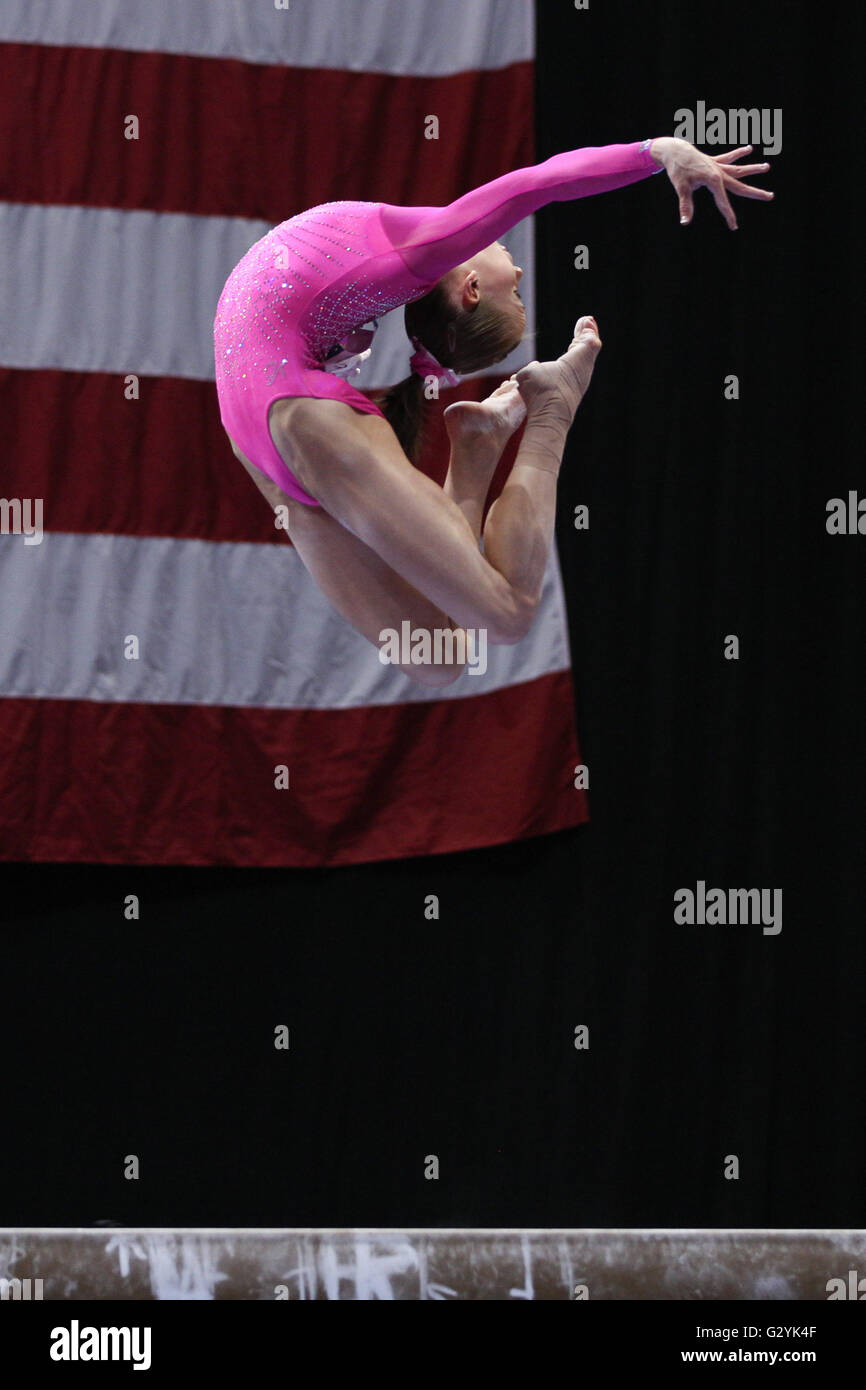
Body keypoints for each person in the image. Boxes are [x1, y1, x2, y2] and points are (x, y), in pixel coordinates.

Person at [214, 136, 772, 684]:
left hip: (256, 424)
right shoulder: (413, 254)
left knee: (436, 656)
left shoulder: (418, 256)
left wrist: (656, 154)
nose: (522, 274)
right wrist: (659, 152)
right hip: (281, 414)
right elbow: (541, 181)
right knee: (503, 618)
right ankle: (548, 413)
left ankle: (484, 443)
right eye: (522, 297)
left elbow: (540, 182)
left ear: (473, 289)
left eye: (517, 294)